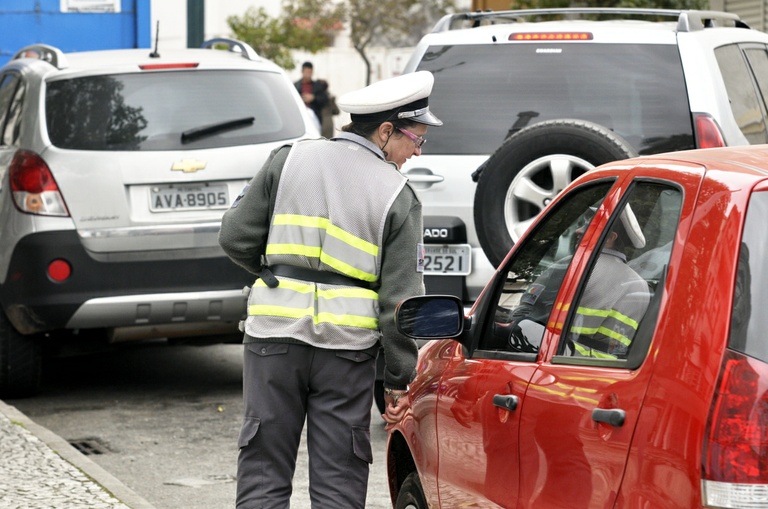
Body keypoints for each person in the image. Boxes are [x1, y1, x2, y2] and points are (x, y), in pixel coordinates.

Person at [218, 70, 442, 509]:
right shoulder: (398, 194)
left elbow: (233, 237)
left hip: (272, 339)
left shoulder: (288, 159)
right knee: (339, 475)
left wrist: (271, 274)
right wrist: (397, 381)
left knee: (263, 466)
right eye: (415, 140)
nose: (416, 152)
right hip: (346, 352)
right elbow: (401, 302)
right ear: (384, 132)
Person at [294, 61, 329, 133]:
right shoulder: (295, 86)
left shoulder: (317, 85)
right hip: (300, 118)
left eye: (310, 72)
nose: (308, 74)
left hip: (315, 118)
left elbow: (325, 99)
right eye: (307, 72)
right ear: (302, 72)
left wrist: (313, 98)